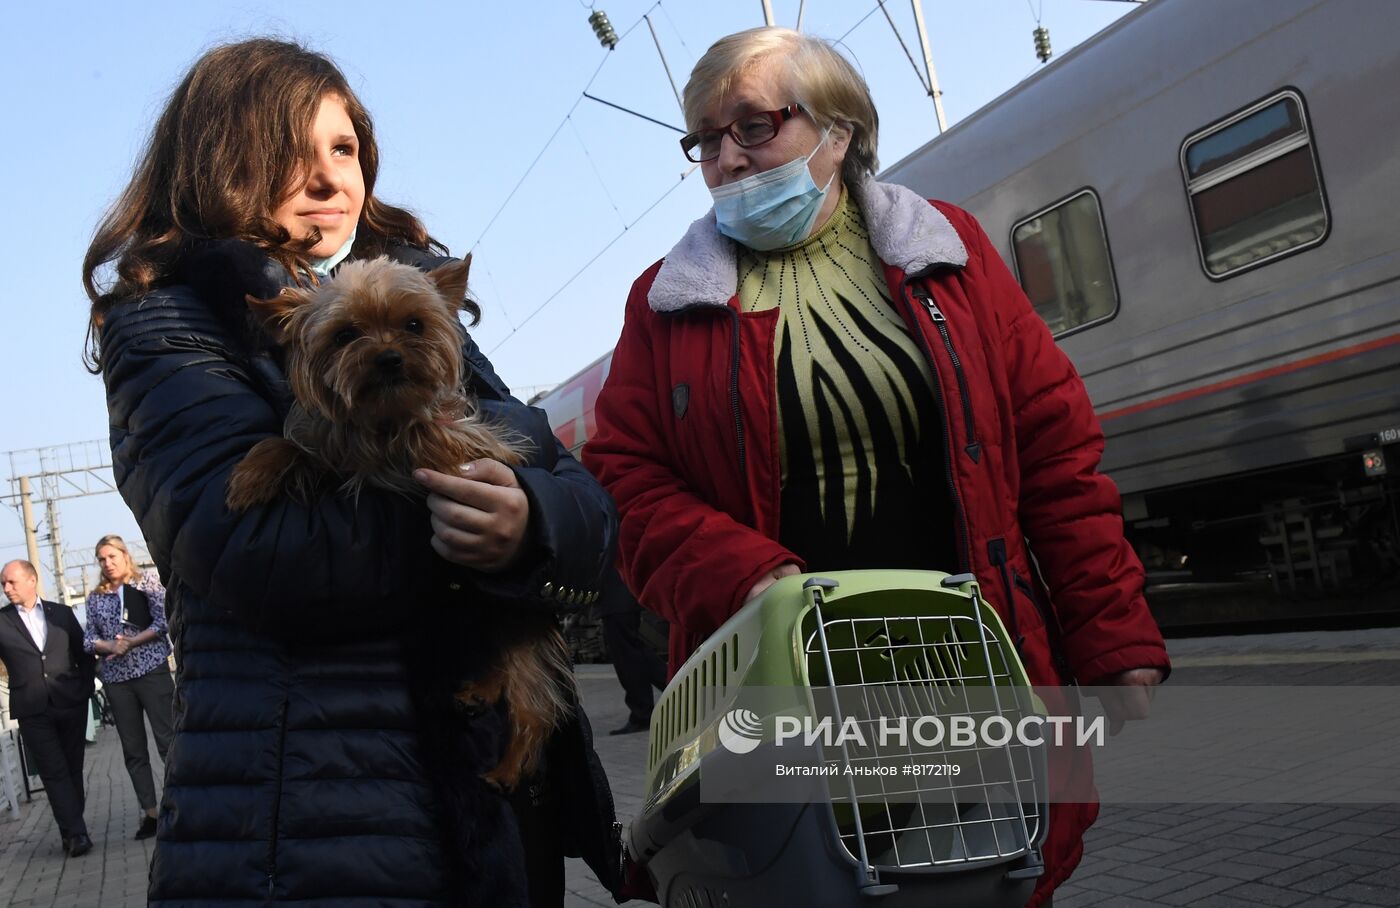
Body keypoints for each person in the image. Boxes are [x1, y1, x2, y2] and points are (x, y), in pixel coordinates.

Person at [583, 27, 1170, 907]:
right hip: (786, 692)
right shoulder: (665, 303)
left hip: (964, 671)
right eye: (704, 141)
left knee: (982, 885)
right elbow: (624, 483)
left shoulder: (948, 253)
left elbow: (1054, 451)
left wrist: (1110, 633)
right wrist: (745, 575)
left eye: (754, 127)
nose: (726, 159)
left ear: (839, 131)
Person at [84, 38, 619, 907]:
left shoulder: (418, 293)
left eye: (345, 149)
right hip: (314, 813)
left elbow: (585, 508)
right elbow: (262, 552)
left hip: (489, 807)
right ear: (220, 162)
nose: (331, 178)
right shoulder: (167, 326)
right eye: (293, 153)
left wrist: (534, 523)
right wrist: (471, 525)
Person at [0, 560, 96, 857]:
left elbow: (84, 653)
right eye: (3, 584)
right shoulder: (2, 621)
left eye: (12, 582)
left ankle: (70, 829)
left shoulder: (62, 614)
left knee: (72, 769)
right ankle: (77, 834)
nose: (6, 588)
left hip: (70, 703)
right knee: (53, 772)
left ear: (32, 580)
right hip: (32, 709)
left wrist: (84, 689)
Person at [82, 534, 174, 840]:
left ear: (125, 555)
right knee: (133, 750)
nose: (107, 564)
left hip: (151, 670)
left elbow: (163, 621)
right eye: (102, 559)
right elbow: (88, 639)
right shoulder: (96, 597)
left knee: (168, 741)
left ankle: (181, 803)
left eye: (112, 557)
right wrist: (108, 645)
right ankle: (151, 813)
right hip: (117, 680)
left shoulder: (146, 583)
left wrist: (132, 642)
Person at [597, 572, 666, 735]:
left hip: (617, 598)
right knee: (634, 652)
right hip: (621, 596)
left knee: (627, 657)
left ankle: (642, 713)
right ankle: (674, 685)